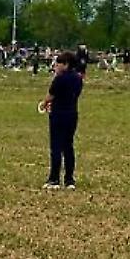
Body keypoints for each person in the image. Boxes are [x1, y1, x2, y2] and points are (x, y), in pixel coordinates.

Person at [42, 51, 84, 189]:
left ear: (65, 64)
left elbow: (50, 96)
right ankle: (69, 180)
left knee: (56, 147)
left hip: (58, 114)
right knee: (68, 147)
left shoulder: (59, 79)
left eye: (58, 63)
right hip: (72, 114)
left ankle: (54, 179)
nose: (55, 66)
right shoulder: (78, 78)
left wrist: (44, 104)